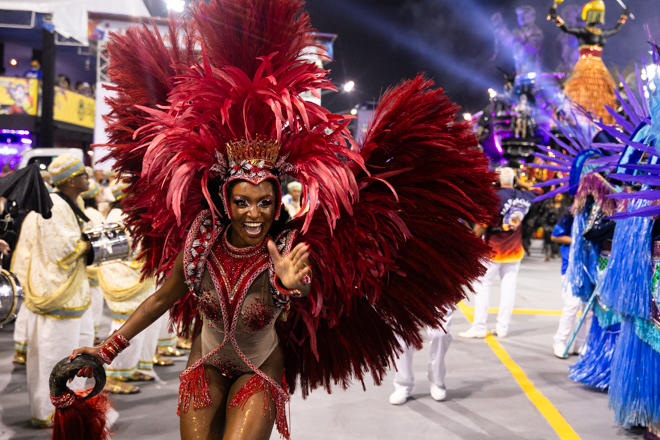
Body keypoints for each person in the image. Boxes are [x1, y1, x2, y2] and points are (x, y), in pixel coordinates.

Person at [63, 1, 497, 439]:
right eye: (243, 201)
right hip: (205, 365)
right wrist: (107, 350)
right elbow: (160, 300)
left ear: (277, 202)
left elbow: (302, 286)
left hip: (258, 370)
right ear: (225, 201)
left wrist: (289, 285)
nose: (254, 213)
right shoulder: (201, 241)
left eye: (264, 202)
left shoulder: (288, 249)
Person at [10, 153, 94, 427]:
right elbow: (63, 248)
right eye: (82, 175)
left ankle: (67, 407)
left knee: (68, 354)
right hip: (55, 295)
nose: (87, 179)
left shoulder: (70, 202)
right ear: (70, 181)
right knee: (51, 356)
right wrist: (94, 245)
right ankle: (47, 412)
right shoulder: (55, 206)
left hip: (71, 294)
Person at [459, 167, 542, 339]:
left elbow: (482, 224)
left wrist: (471, 242)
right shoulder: (525, 196)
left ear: (496, 181)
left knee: (482, 287)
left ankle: (480, 326)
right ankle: (503, 327)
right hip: (515, 250)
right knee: (508, 289)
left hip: (493, 251)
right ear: (513, 181)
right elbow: (539, 190)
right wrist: (519, 183)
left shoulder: (494, 198)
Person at [549, 1, 630, 124]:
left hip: (597, 66)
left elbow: (615, 30)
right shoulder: (583, 31)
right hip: (585, 66)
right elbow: (566, 28)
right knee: (581, 93)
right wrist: (556, 18)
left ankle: (601, 124)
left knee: (604, 94)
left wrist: (624, 16)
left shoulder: (599, 33)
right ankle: (579, 122)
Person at [389, 311, 453, 405]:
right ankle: (403, 384)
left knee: (441, 334)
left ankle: (437, 379)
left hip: (438, 297)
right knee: (402, 334)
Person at [82, 179, 105, 342]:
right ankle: (93, 332)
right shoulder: (95, 214)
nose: (100, 195)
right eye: (98, 192)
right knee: (95, 298)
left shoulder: (80, 210)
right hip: (95, 263)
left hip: (83, 265)